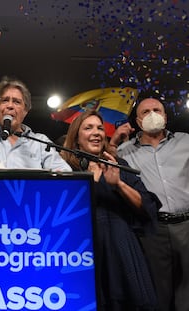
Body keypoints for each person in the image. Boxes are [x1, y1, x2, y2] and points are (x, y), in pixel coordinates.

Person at [61, 110, 160, 310]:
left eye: (99, 128)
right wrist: (93, 180)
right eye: (88, 128)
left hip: (122, 248)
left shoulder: (119, 165)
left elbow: (147, 207)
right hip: (85, 253)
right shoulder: (66, 169)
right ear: (77, 138)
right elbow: (65, 216)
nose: (96, 132)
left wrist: (119, 184)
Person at [0, 23, 71, 172]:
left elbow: (66, 175)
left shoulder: (41, 143)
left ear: (25, 110)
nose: (10, 105)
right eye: (5, 100)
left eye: (17, 102)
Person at [110, 97, 189, 311]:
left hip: (186, 225)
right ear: (137, 121)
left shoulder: (186, 141)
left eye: (157, 110)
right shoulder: (125, 151)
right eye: (146, 112)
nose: (152, 114)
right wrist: (114, 141)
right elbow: (105, 162)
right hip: (154, 229)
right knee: (159, 294)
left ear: (165, 116)